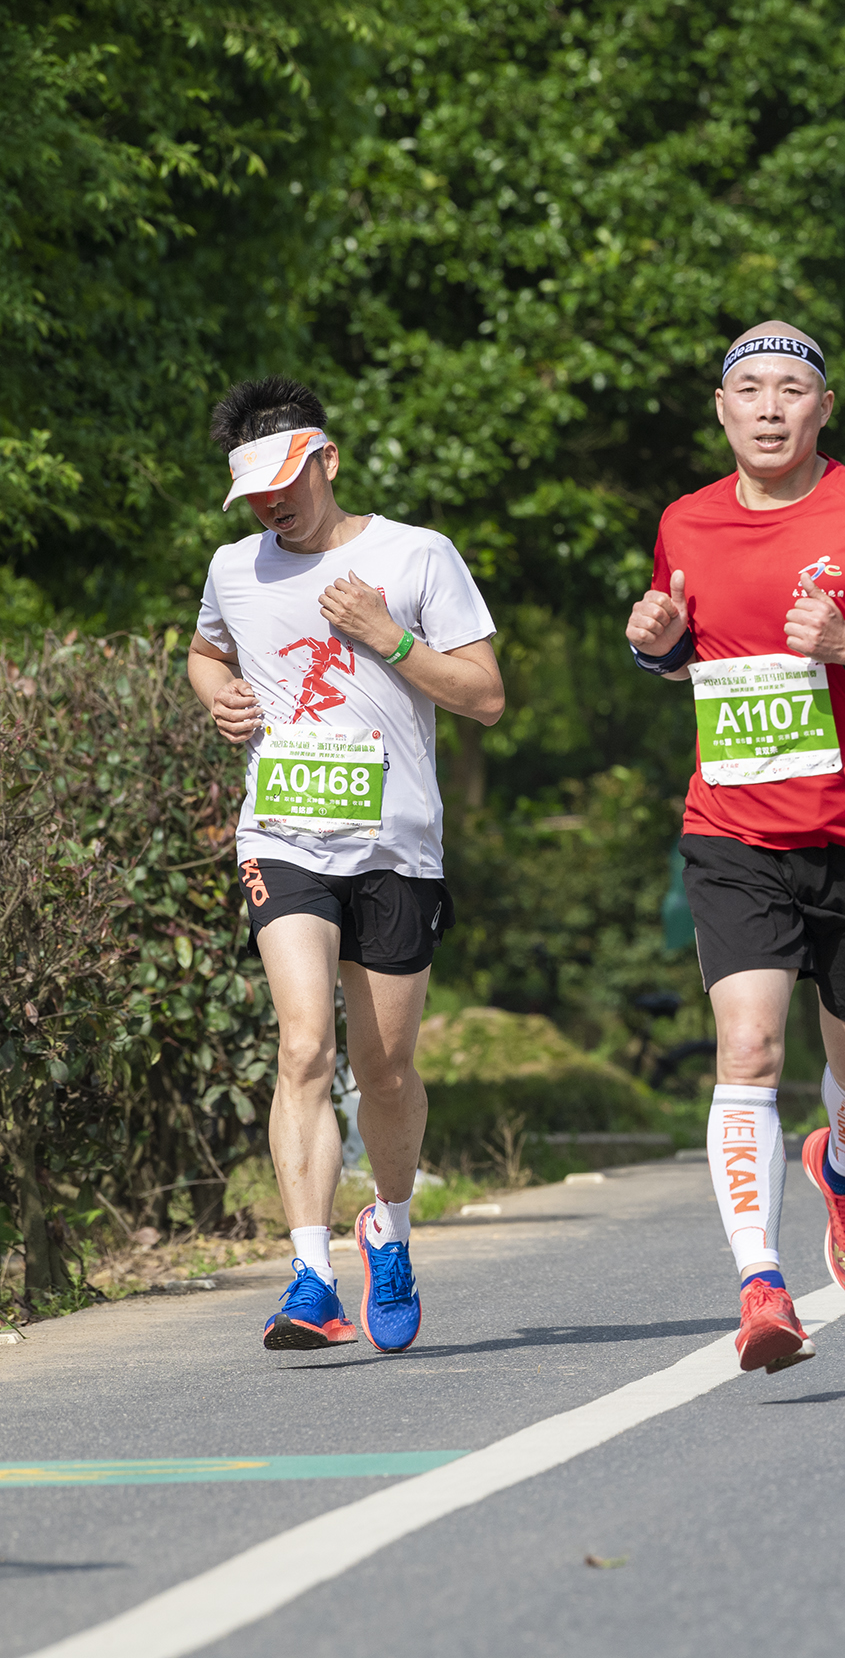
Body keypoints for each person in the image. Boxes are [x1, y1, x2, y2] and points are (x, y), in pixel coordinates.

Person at [627, 324, 845, 1373]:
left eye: (793, 388)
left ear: (824, 407)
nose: (771, 406)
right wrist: (656, 647)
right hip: (734, 827)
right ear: (722, 409)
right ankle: (762, 1285)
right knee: (748, 1051)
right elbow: (689, 654)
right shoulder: (684, 520)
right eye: (751, 389)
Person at [192, 379, 507, 1355]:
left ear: (326, 458)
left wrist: (389, 637)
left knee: (387, 1067)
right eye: (253, 492)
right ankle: (312, 1273)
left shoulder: (416, 555)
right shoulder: (235, 567)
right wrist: (220, 696)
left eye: (286, 481)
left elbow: (487, 696)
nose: (271, 505)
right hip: (282, 834)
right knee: (302, 1046)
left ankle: (394, 1232)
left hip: (395, 844)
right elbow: (204, 651)